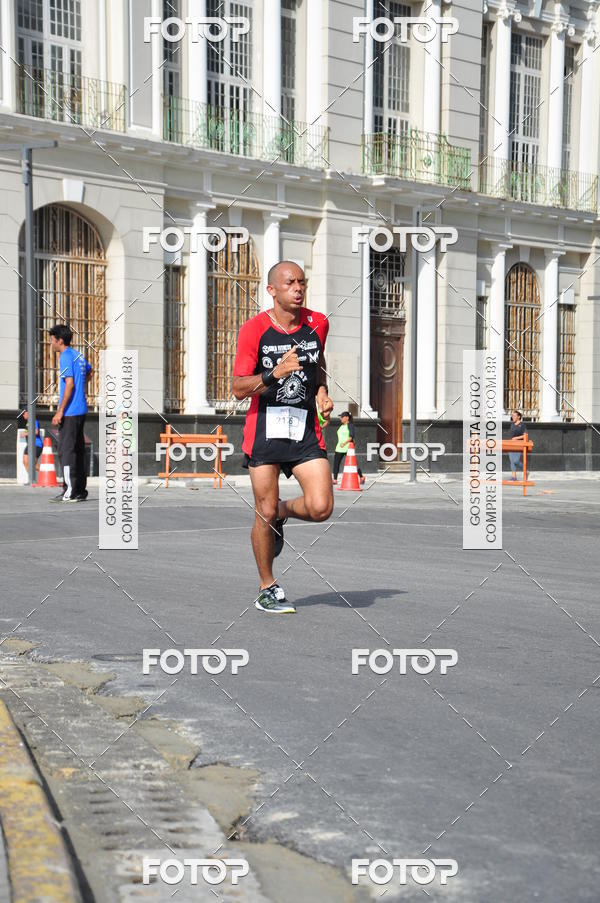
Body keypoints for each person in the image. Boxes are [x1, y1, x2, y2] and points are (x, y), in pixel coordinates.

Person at [232, 260, 334, 614]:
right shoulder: (254, 330)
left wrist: (321, 390)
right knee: (261, 509)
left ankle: (282, 512)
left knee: (321, 507)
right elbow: (237, 388)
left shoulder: (317, 323)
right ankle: (267, 586)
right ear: (272, 290)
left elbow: (318, 363)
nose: (298, 288)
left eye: (302, 282)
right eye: (290, 282)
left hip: (305, 429)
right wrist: (274, 373)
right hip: (264, 431)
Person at [49, 324, 92, 502]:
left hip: (70, 412)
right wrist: (82, 390)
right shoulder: (78, 355)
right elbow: (90, 371)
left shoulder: (65, 357)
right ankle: (80, 490)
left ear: (60, 340)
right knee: (78, 450)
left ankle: (70, 491)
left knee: (66, 451)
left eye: (52, 340)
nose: (50, 343)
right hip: (81, 409)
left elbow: (70, 384)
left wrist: (60, 411)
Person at [332, 411, 365, 485]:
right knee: (336, 463)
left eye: (342, 417)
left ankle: (361, 476)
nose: (341, 419)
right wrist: (341, 444)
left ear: (347, 418)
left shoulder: (350, 425)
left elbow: (351, 436)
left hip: (348, 447)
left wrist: (344, 443)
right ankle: (335, 479)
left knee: (352, 464)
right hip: (339, 448)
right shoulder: (341, 426)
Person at [20, 411, 43, 478]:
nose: (23, 415)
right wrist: (25, 433)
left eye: (25, 413)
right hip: (30, 445)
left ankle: (47, 473)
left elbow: (36, 432)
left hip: (36, 444)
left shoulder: (33, 421)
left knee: (33, 464)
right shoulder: (28, 423)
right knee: (25, 462)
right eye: (23, 414)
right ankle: (31, 479)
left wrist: (25, 434)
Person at [508, 410, 527, 480]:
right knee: (512, 461)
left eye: (514, 416)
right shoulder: (512, 425)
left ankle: (525, 470)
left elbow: (525, 435)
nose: (513, 417)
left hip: (519, 445)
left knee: (516, 461)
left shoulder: (522, 425)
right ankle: (514, 477)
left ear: (519, 417)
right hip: (511, 445)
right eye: (512, 416)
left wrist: (516, 438)